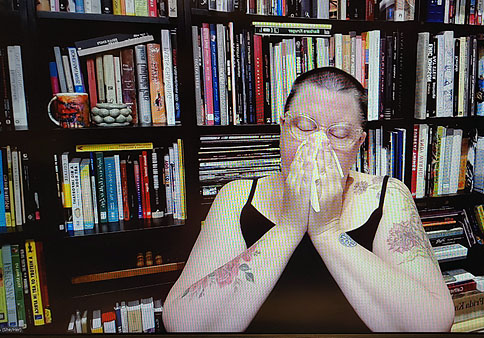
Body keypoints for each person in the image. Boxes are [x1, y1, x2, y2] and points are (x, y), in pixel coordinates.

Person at [163, 67, 455, 332]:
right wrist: (289, 227)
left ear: (359, 143)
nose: (317, 144)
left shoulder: (388, 195)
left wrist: (326, 231)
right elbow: (183, 323)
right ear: (282, 128)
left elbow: (432, 323)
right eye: (304, 127)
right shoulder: (238, 197)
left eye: (339, 134)